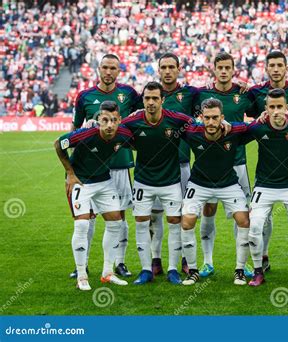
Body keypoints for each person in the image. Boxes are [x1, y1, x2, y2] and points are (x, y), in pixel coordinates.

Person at [70, 54, 142, 279]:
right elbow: (75, 130)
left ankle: (119, 263)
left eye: (113, 68)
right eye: (105, 67)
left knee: (119, 217)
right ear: (98, 68)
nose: (109, 72)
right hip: (91, 169)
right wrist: (72, 171)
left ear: (118, 70)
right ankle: (83, 263)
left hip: (119, 164)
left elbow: (141, 116)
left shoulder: (129, 93)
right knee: (87, 218)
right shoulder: (85, 96)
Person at [54, 101, 134, 290]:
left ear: (119, 120)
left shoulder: (124, 134)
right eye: (105, 120)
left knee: (116, 223)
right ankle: (81, 276)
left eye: (113, 120)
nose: (109, 125)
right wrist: (70, 174)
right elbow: (58, 144)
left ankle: (107, 273)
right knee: (82, 224)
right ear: (98, 120)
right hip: (81, 181)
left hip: (104, 181)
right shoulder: (85, 134)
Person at [121, 81, 193, 285]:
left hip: (171, 182)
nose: (150, 102)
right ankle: (146, 270)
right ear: (142, 100)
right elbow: (115, 131)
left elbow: (199, 126)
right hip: (143, 182)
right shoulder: (133, 121)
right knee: (142, 224)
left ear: (163, 100)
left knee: (175, 225)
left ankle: (172, 269)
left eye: (155, 98)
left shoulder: (177, 119)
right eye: (147, 98)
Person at [247, 50, 288, 273]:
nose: (275, 69)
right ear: (266, 68)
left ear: (286, 67)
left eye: (279, 65)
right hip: (267, 161)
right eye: (271, 65)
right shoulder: (256, 92)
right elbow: (244, 116)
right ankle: (263, 257)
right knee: (262, 217)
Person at [180, 98, 252, 286]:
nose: (211, 123)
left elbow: (258, 124)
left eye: (215, 118)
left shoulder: (235, 131)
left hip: (228, 184)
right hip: (199, 184)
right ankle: (193, 270)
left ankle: (239, 270)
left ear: (222, 117)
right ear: (201, 118)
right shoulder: (192, 132)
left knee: (244, 221)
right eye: (207, 118)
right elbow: (169, 119)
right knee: (187, 222)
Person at [195, 52, 254, 278]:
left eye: (227, 67)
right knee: (208, 210)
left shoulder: (244, 94)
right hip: (209, 165)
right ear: (214, 69)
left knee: (241, 214)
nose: (223, 71)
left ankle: (244, 263)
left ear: (233, 69)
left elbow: (260, 115)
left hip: (237, 163)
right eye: (219, 67)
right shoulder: (202, 94)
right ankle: (208, 262)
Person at [149, 52, 200, 277]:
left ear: (179, 69)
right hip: (153, 168)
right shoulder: (149, 95)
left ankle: (183, 262)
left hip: (181, 166)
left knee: (181, 217)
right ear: (158, 70)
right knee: (154, 216)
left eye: (172, 67)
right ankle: (155, 259)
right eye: (164, 67)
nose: (168, 71)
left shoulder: (190, 93)